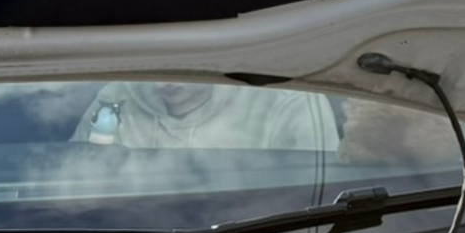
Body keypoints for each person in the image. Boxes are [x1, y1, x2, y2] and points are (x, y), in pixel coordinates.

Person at [75, 81, 342, 151]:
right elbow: (78, 174)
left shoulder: (286, 102)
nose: (161, 83)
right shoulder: (115, 98)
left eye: (179, 64)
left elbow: (315, 202)